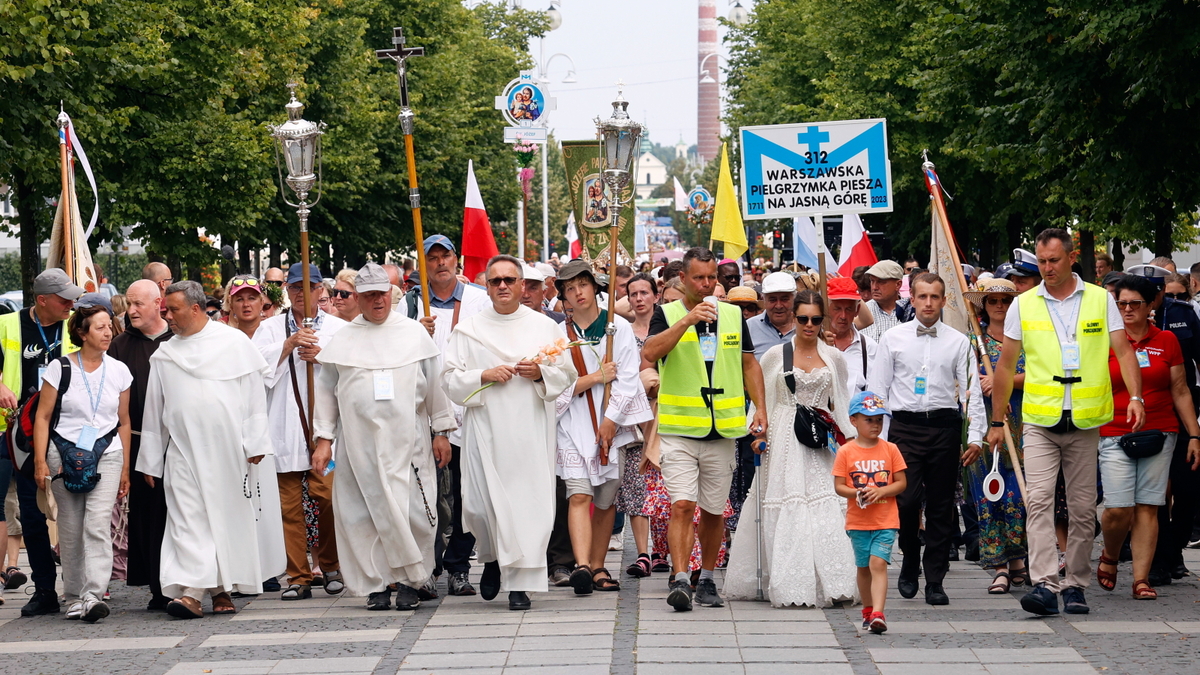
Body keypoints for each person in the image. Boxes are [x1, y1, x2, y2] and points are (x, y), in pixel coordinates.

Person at [988, 228, 1144, 617]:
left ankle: (1075, 584)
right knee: (1038, 502)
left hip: (1086, 420)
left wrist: (1136, 396)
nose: (1046, 269)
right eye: (1041, 262)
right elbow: (1006, 366)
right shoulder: (1023, 304)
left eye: (1053, 261)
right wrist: (996, 419)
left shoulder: (1099, 299)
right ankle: (1044, 584)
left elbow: (1123, 352)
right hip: (1041, 418)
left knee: (1079, 508)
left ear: (1072, 257)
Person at [311, 263, 456, 610]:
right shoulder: (343, 339)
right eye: (370, 295)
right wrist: (323, 439)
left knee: (413, 512)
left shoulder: (413, 334)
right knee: (362, 514)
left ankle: (411, 580)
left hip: (409, 439)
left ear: (392, 295)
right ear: (358, 298)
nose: (378, 301)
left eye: (383, 294)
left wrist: (442, 431)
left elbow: (434, 384)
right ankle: (376, 583)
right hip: (358, 442)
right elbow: (327, 391)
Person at [136, 281, 277, 619]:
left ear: (196, 309)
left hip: (228, 451)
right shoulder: (166, 354)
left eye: (173, 309)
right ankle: (192, 593)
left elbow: (254, 397)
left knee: (221, 520)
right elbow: (154, 413)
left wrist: (256, 441)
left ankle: (220, 589)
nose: (167, 316)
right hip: (182, 452)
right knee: (188, 522)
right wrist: (150, 461)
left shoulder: (233, 343)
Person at [443, 255, 577, 610]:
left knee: (528, 507)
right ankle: (490, 557)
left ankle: (521, 583)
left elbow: (567, 373)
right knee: (478, 506)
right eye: (495, 280)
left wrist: (540, 374)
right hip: (485, 430)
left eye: (509, 280)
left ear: (523, 286)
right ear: (485, 287)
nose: (502, 285)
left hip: (529, 431)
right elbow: (449, 380)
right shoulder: (468, 330)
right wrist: (482, 376)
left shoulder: (545, 327)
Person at [641, 247, 767, 612]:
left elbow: (748, 364)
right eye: (699, 277)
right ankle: (681, 578)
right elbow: (651, 353)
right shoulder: (667, 313)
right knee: (682, 505)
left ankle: (707, 578)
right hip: (680, 428)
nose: (707, 284)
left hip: (723, 431)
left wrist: (760, 408)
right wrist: (687, 321)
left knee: (714, 512)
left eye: (711, 277)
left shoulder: (731, 314)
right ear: (683, 278)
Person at [725, 289, 858, 607]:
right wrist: (757, 432)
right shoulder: (776, 355)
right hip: (784, 435)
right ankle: (788, 581)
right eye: (803, 319)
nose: (809, 325)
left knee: (826, 506)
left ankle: (834, 579)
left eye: (815, 319)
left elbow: (840, 402)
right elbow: (762, 400)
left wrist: (851, 442)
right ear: (794, 318)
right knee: (787, 503)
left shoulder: (834, 357)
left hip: (819, 436)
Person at [869, 273, 985, 606]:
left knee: (940, 506)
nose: (929, 303)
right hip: (904, 427)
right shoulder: (894, 338)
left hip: (945, 427)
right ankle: (908, 558)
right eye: (923, 297)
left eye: (935, 297)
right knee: (904, 501)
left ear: (944, 300)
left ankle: (935, 578)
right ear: (913, 299)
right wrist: (877, 438)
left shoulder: (959, 342)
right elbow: (878, 390)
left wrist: (974, 436)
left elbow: (971, 392)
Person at [1095, 275, 1200, 600]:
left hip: (1160, 431)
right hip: (1114, 430)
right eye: (1121, 303)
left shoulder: (1167, 340)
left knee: (1148, 506)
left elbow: (1180, 390)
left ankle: (1141, 579)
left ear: (1150, 304)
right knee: (1118, 507)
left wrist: (1194, 434)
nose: (1127, 309)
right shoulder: (1105, 340)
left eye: (1134, 303)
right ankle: (1110, 554)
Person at [552, 262, 651, 596]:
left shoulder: (617, 328)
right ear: (563, 296)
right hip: (572, 423)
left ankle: (597, 565)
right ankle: (580, 564)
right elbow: (554, 385)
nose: (577, 292)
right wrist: (594, 378)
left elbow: (627, 378)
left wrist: (610, 420)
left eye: (582, 284)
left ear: (595, 287)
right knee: (579, 493)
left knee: (606, 498)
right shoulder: (559, 336)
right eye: (569, 288)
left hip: (612, 423)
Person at [32, 295, 133, 622]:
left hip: (107, 452)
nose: (108, 332)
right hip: (62, 452)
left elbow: (125, 421)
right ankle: (74, 595)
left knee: (97, 523)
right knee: (71, 528)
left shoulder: (119, 371)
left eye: (109, 326)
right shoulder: (59, 368)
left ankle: (93, 594)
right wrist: (40, 462)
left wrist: (126, 468)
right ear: (83, 332)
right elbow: (43, 417)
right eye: (100, 327)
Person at [254, 263, 347, 600]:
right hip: (284, 426)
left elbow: (351, 371)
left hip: (323, 428)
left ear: (321, 290)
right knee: (289, 508)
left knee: (327, 499)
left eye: (308, 287)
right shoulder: (270, 329)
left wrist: (324, 357)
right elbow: (257, 369)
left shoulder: (338, 328)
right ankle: (298, 576)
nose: (301, 294)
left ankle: (332, 564)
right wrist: (288, 345)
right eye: (294, 288)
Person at [407, 235, 490, 597]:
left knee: (467, 495)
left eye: (446, 256)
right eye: (433, 258)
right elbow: (397, 351)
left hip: (467, 411)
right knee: (425, 494)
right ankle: (426, 565)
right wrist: (413, 332)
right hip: (422, 414)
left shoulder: (477, 301)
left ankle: (459, 564)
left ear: (456, 260)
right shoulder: (410, 304)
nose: (440, 263)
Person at [1, 268, 83, 616]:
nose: (70, 304)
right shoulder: (7, 324)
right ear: (42, 300)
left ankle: (84, 587)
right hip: (20, 432)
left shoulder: (75, 327)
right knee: (33, 514)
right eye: (64, 299)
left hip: (68, 431)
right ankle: (45, 590)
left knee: (76, 511)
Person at [108, 280, 174, 610]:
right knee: (147, 513)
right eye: (128, 304)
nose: (130, 310)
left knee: (177, 512)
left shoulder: (177, 340)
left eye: (138, 304)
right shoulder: (120, 345)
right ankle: (157, 584)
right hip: (135, 442)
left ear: (158, 304)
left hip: (176, 443)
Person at [962, 278, 1030, 592]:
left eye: (1005, 301)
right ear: (983, 306)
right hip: (984, 423)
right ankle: (999, 566)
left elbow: (1039, 374)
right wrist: (978, 383)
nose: (1000, 307)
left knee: (1017, 494)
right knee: (989, 495)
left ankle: (1018, 561)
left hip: (1021, 424)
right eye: (992, 301)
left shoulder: (1025, 337)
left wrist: (1003, 382)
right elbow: (960, 378)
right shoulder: (972, 341)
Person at [832, 391, 908, 634]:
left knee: (878, 564)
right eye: (869, 419)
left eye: (879, 420)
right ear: (853, 421)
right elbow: (839, 486)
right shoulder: (846, 451)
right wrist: (857, 493)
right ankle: (867, 609)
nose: (875, 425)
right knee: (863, 566)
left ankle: (878, 612)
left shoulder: (891, 449)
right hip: (858, 521)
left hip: (886, 519)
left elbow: (901, 482)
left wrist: (882, 492)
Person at [827, 277, 877, 394]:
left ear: (857, 310)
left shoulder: (869, 347)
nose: (843, 316)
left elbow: (876, 392)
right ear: (826, 309)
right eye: (837, 309)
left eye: (849, 309)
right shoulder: (815, 344)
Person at [747, 272, 797, 359]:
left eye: (784, 299)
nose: (778, 306)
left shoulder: (806, 326)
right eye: (772, 300)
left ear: (794, 299)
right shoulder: (749, 327)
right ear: (764, 300)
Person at [861, 261, 912, 341]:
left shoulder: (911, 311)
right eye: (872, 281)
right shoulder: (862, 312)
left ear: (898, 285)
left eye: (881, 282)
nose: (874, 287)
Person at [224, 275, 267, 339]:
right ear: (231, 306)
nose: (246, 304)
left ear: (261, 303)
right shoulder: (226, 339)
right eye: (240, 299)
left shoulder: (274, 336)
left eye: (251, 298)